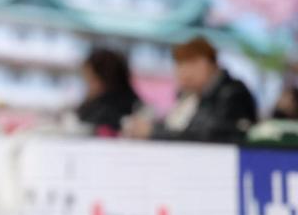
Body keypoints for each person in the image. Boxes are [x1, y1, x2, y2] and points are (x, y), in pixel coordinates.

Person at [122, 36, 256, 143]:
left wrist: (153, 132)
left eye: (191, 63)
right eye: (179, 65)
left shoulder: (232, 94)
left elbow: (211, 136)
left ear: (210, 64)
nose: (183, 72)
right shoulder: (188, 98)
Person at [75, 47, 142, 134]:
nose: (88, 87)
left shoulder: (108, 109)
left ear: (104, 80)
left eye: (90, 80)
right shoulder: (132, 101)